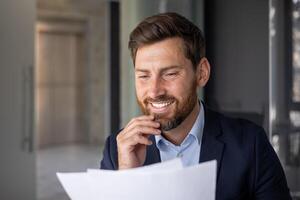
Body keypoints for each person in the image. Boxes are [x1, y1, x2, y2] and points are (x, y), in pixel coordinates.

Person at [100, 12, 291, 199]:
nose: (154, 91)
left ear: (201, 73)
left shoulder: (250, 144)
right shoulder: (118, 149)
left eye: (170, 74)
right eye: (143, 76)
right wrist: (126, 178)